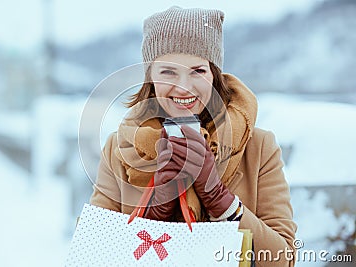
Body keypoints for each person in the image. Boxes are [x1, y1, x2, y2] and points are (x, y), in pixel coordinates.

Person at [90, 6, 297, 266]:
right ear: (150, 77)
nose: (184, 87)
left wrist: (220, 200)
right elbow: (97, 255)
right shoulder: (118, 148)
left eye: (198, 71)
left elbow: (283, 258)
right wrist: (154, 210)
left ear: (214, 75)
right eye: (168, 71)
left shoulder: (258, 146)